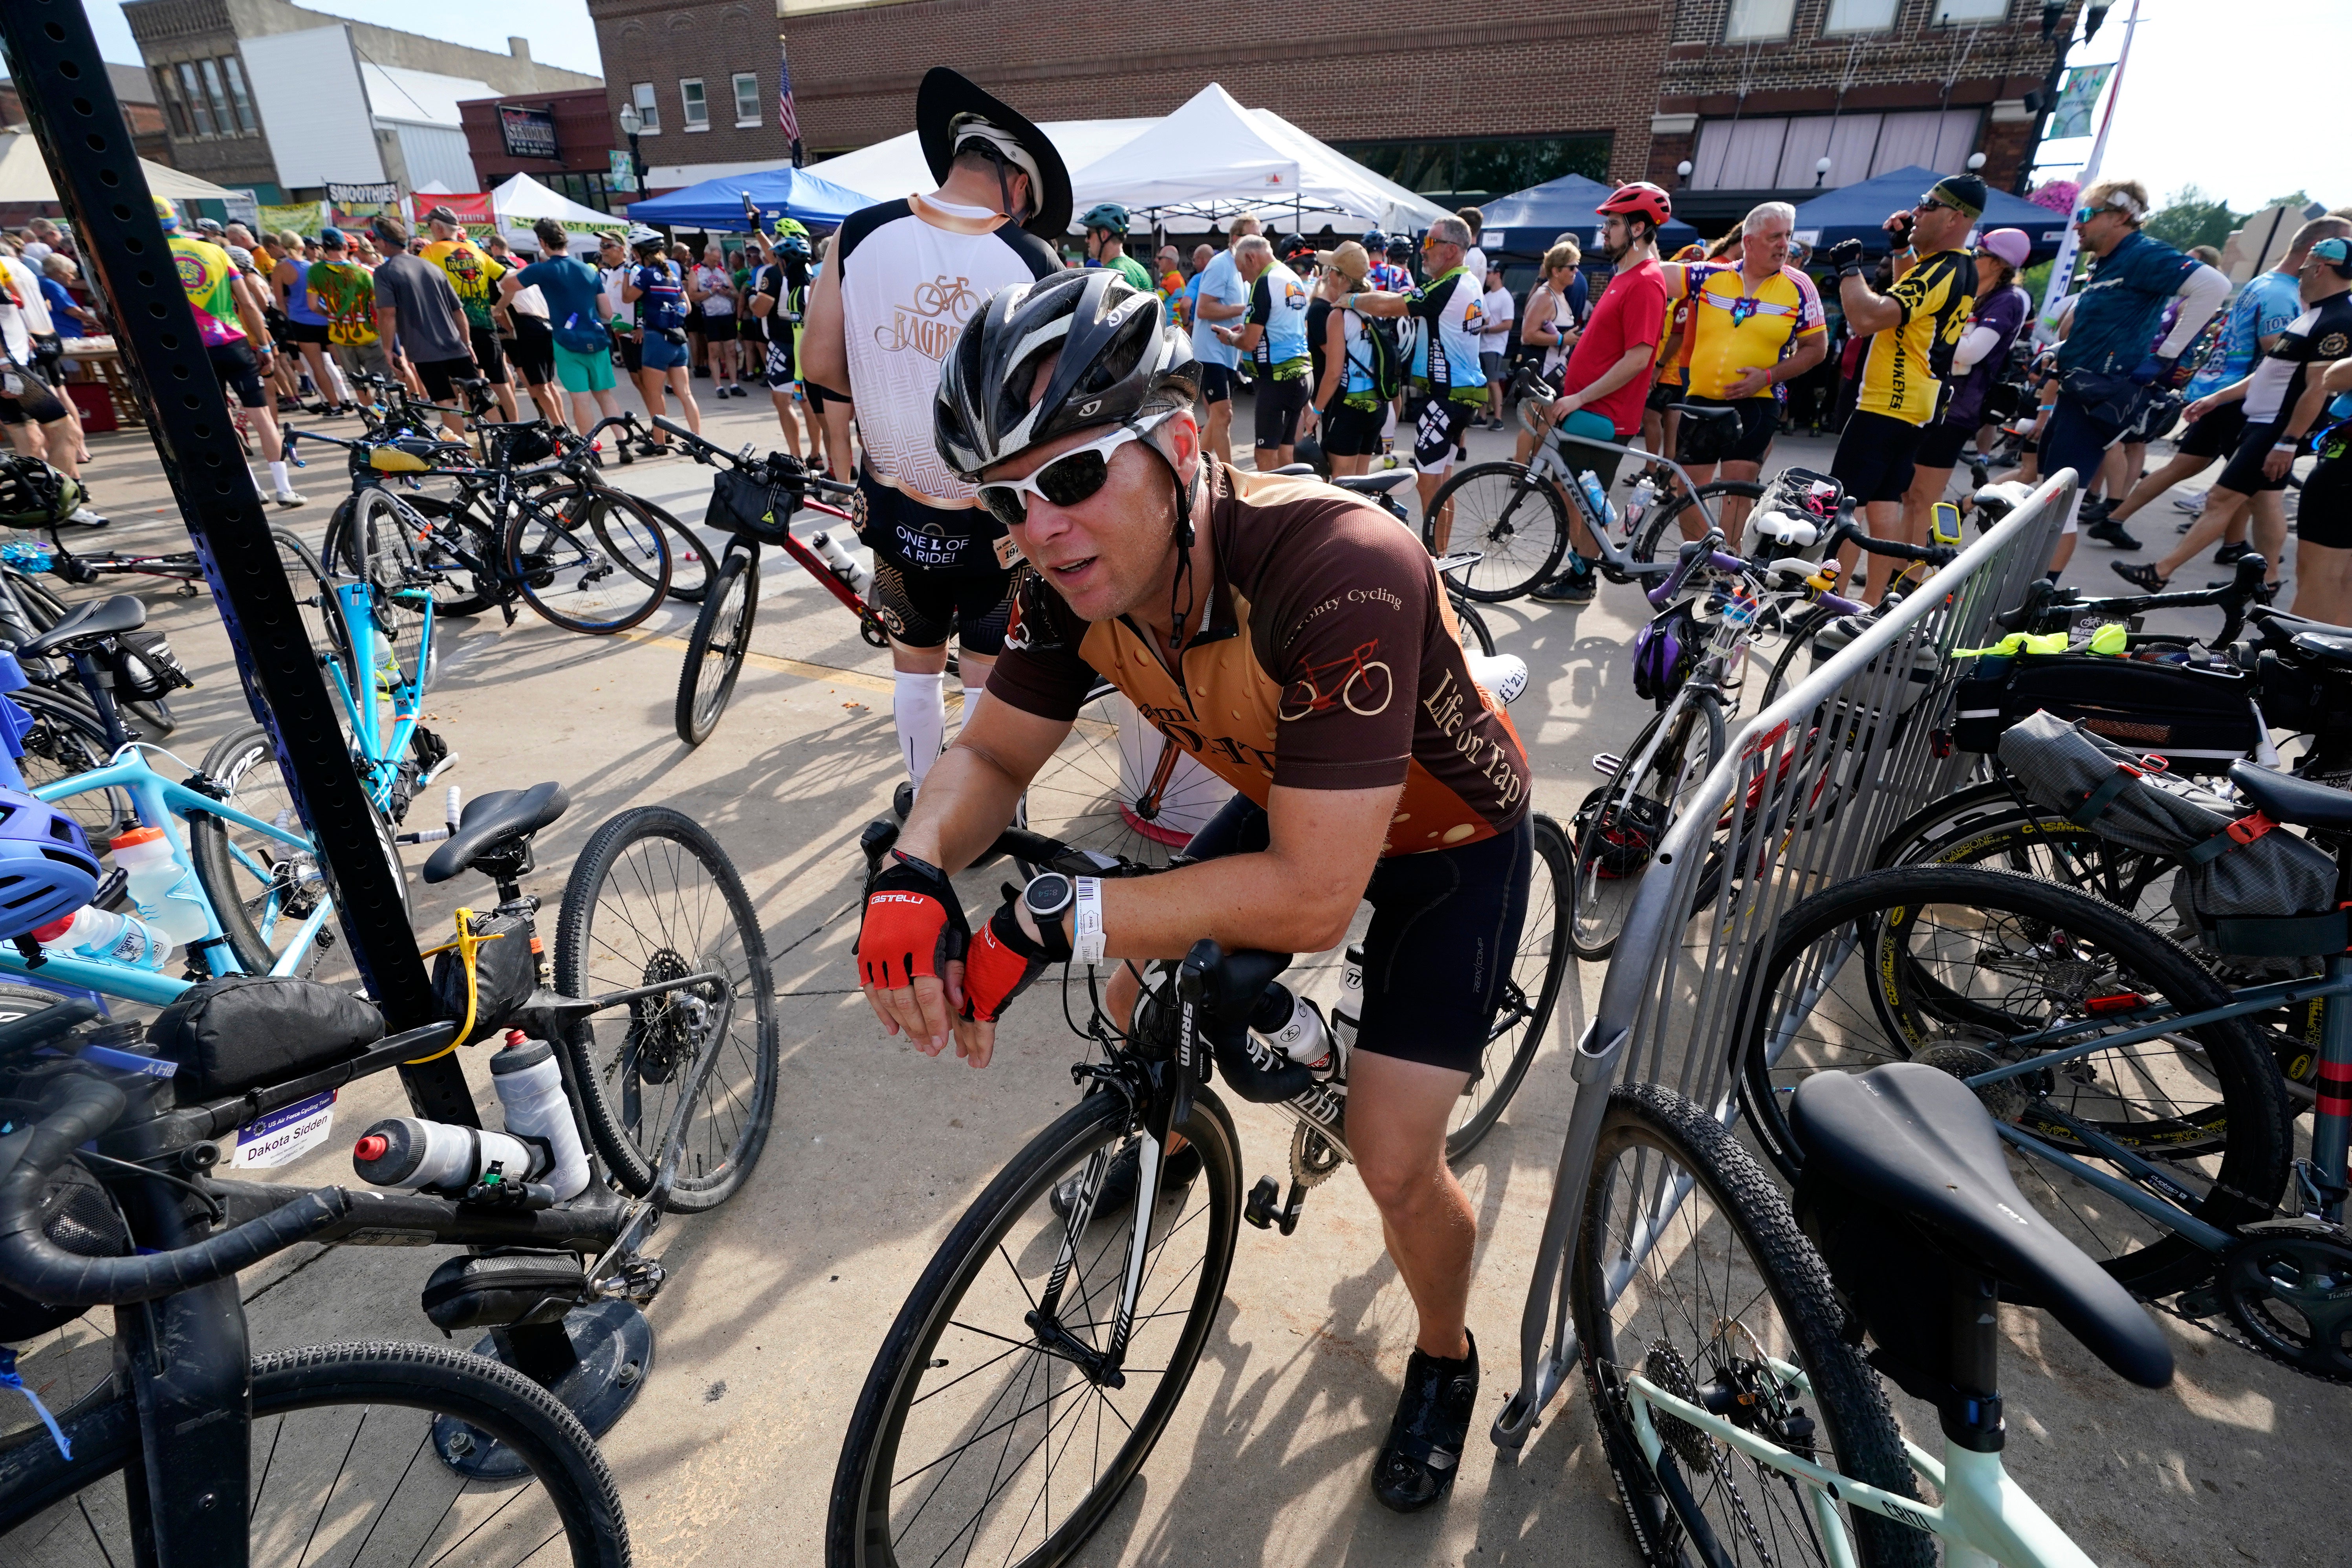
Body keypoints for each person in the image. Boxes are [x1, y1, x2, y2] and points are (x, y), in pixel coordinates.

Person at [877, 269, 1533, 1516]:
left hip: (1444, 834)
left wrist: (1041, 916)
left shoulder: (1335, 562)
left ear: (1180, 446)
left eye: (1071, 477)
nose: (1041, 527)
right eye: (1009, 500)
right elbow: (993, 754)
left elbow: (1308, 899)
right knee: (1134, 978)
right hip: (1299, 787)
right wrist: (912, 867)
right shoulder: (1069, 583)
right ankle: (1175, 1137)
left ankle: (1445, 1356)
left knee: (1396, 1159)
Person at [799, 66, 1066, 801]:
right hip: (989, 515)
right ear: (1017, 181)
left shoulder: (858, 233)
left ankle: (921, 794)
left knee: (912, 665)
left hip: (892, 505)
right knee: (984, 667)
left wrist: (851, 451)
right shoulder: (1029, 260)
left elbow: (820, 364)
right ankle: (973, 809)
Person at [2096, 217, 2352, 551]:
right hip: (2248, 403)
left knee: (2232, 485)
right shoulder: (2282, 294)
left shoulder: (2264, 283)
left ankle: (2119, 521)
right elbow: (2277, 356)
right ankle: (2207, 559)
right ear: (2312, 252)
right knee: (2242, 492)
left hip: (2226, 392)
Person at [2024, 178, 2228, 578]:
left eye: (2087, 214)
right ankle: (2030, 587)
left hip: (2099, 396)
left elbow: (2214, 285)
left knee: (2061, 502)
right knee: (2050, 493)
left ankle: (2037, 594)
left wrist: (2165, 356)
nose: (2078, 224)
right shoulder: (2108, 259)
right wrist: (2056, 352)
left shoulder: (2141, 253)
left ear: (2121, 217)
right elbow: (2100, 328)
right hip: (2077, 387)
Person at [1820, 175, 1984, 595]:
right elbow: (1911, 307)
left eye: (1928, 205)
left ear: (1954, 218)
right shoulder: (1954, 267)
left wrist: (1849, 271)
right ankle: (1871, 605)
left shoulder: (1942, 269)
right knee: (1883, 508)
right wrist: (1901, 252)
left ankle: (1830, 601)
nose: (1916, 212)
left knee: (1847, 509)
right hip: (1914, 406)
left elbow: (1867, 318)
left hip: (1885, 406)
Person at [1520, 183, 1672, 602]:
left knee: (1583, 499)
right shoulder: (1629, 274)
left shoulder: (1644, 282)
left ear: (1638, 229)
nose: (1603, 232)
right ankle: (1585, 566)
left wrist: (1579, 398)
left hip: (1602, 413)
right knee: (1580, 495)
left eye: (1612, 224)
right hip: (1592, 407)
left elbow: (1640, 357)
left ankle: (1582, 577)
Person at [1658, 201, 1827, 537]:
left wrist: (1767, 377)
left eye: (1788, 237)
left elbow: (1817, 350)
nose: (1784, 245)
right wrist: (1641, 226)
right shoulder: (1710, 275)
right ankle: (1700, 562)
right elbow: (1651, 274)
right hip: (1701, 398)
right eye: (1775, 237)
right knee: (1687, 486)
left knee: (1737, 487)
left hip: (1757, 401)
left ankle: (1729, 572)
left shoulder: (1800, 286)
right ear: (1748, 241)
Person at [1343, 216, 1489, 523]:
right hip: (1464, 395)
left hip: (1444, 398)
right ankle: (1444, 563)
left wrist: (1349, 299)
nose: (1422, 250)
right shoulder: (1470, 280)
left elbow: (1386, 307)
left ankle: (1433, 563)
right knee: (1443, 488)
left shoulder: (1449, 286)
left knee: (1430, 490)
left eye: (1430, 243)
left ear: (1451, 250)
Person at [159, 197, 300, 507]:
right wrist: (264, 344)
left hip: (191, 350)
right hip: (233, 341)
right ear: (177, 220)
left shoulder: (151, 256)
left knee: (220, 420)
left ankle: (252, 487)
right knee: (262, 416)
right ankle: (284, 489)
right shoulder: (215, 250)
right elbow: (249, 304)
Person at [1898, 227, 2034, 545]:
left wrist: (1933, 331)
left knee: (1925, 497)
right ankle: (1898, 567)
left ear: (2000, 263)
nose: (1971, 258)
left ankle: (1917, 574)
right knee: (1908, 493)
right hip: (1931, 398)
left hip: (1957, 409)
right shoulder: (1970, 294)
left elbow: (1972, 352)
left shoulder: (2008, 300)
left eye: (1979, 254)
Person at [503, 217, 627, 441]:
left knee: (581, 400)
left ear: (542, 242)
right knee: (605, 396)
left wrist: (528, 270)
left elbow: (506, 285)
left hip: (566, 341)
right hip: (596, 340)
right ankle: (622, 442)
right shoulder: (589, 270)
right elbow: (607, 313)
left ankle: (590, 447)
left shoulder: (541, 270)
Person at [369, 213, 480, 441]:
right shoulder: (431, 267)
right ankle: (506, 444)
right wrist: (467, 343)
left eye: (376, 241)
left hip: (424, 349)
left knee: (445, 401)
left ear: (383, 242)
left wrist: (388, 349)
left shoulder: (385, 272)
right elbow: (458, 311)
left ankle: (462, 456)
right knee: (480, 395)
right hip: (455, 344)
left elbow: (388, 314)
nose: (375, 246)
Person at [1215, 235, 1313, 470]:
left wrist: (1230, 338)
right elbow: (1281, 324)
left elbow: (1249, 343)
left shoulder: (1264, 281)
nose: (1243, 278)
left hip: (1278, 380)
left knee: (1265, 457)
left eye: (1242, 270)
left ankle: (1272, 508)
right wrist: (1249, 330)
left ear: (1251, 258)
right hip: (1300, 375)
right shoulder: (1290, 276)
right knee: (1285, 455)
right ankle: (1290, 505)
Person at [416, 205, 517, 423]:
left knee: (466, 386)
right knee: (500, 382)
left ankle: (475, 436)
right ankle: (516, 431)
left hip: (453, 330)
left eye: (429, 226)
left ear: (437, 227)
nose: (429, 230)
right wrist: (499, 309)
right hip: (484, 325)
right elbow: (510, 283)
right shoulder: (478, 252)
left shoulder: (430, 252)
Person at [305, 229, 396, 416]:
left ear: (324, 247)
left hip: (340, 336)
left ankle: (372, 420)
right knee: (382, 383)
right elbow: (376, 307)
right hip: (368, 333)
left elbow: (313, 306)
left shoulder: (315, 271)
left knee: (359, 384)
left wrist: (332, 315)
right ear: (346, 247)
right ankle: (384, 417)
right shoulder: (362, 273)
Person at [1191, 217, 1258, 466]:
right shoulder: (1221, 265)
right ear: (1236, 239)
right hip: (1210, 351)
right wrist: (1246, 309)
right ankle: (1230, 476)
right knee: (1224, 414)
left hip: (1228, 351)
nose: (1259, 243)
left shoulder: (1242, 267)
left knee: (1221, 417)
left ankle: (1197, 469)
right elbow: (1204, 309)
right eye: (1254, 237)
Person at [264, 230, 352, 416]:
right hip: (325, 318)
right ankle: (359, 399)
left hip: (301, 322)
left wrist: (290, 316)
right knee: (344, 363)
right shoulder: (313, 267)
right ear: (301, 247)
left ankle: (335, 407)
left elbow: (279, 300)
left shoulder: (280, 269)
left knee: (318, 366)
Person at [2292, 354, 2352, 625]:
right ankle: (2336, 660)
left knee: (2321, 573)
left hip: (2345, 467)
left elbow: (2334, 377)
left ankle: (2296, 657)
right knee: (2342, 576)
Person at [748, 226, 816, 458]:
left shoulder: (773, 273)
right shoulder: (813, 274)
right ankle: (816, 454)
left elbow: (760, 310)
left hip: (782, 344)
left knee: (782, 400)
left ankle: (796, 456)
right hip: (808, 344)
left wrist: (751, 298)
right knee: (807, 401)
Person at [1514, 241, 1582, 463]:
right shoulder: (1545, 296)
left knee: (1547, 422)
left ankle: (1528, 465)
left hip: (1554, 368)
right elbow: (1527, 334)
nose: (1576, 271)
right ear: (1556, 270)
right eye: (1572, 267)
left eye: (1577, 266)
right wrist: (1563, 338)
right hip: (1540, 367)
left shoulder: (1560, 294)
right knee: (1534, 422)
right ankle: (1519, 466)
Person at [692, 243, 744, 398]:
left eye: (718, 260)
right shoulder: (696, 271)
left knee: (731, 350)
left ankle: (734, 384)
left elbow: (736, 293)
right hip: (711, 315)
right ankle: (719, 387)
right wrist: (710, 291)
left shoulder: (721, 270)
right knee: (714, 351)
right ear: (706, 255)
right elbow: (693, 295)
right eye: (714, 260)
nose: (717, 263)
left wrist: (726, 292)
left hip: (727, 314)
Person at [1080, 203, 1152, 291]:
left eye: (1089, 234)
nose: (1087, 240)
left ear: (1104, 235)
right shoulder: (1140, 269)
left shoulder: (1110, 275)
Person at [1478, 267, 1514, 431]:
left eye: (1489, 273)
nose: (1486, 276)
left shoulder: (1506, 297)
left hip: (1495, 345)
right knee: (1483, 382)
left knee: (1493, 381)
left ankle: (1499, 418)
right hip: (1483, 345)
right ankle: (1482, 416)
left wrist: (1485, 330)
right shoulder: (1486, 296)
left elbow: (1508, 324)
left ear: (1498, 274)